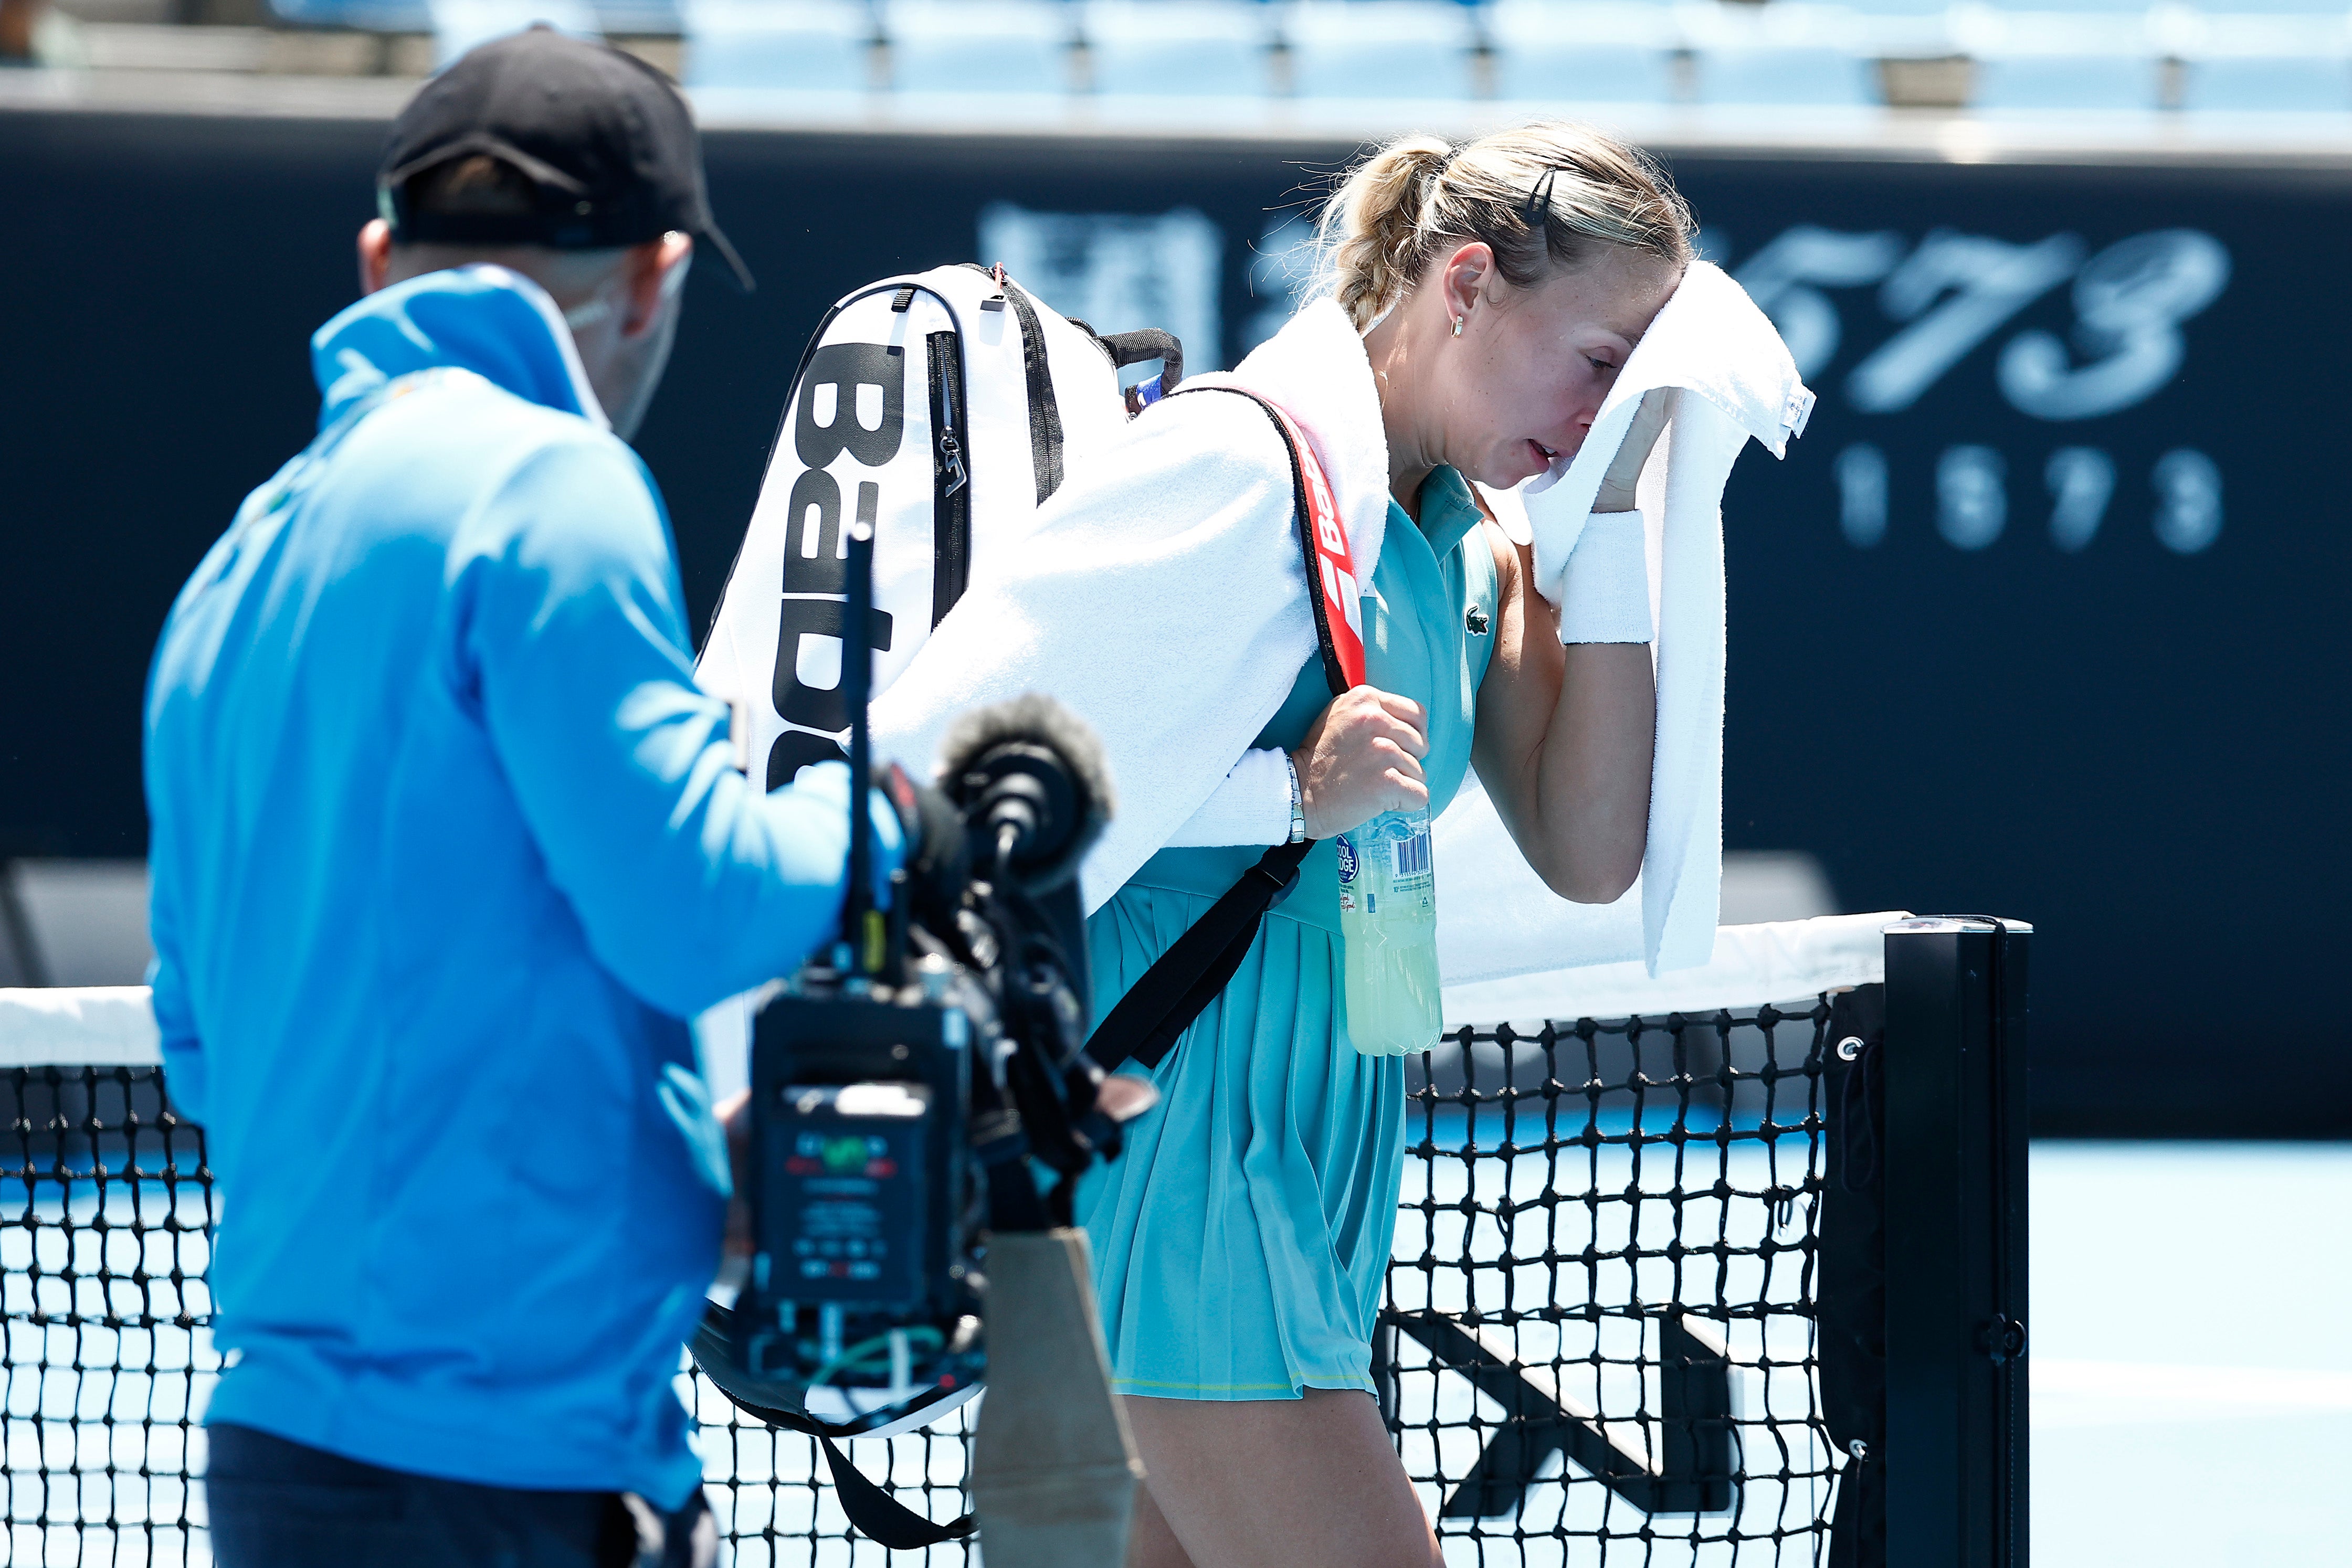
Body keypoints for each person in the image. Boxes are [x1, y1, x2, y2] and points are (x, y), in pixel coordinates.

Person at [867, 121, 1692, 1567]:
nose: (1604, 409)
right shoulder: (1236, 460)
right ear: (1468, 284)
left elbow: (1590, 842)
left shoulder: (1463, 538)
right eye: (1601, 364)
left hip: (1306, 1144)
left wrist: (1616, 506)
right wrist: (1281, 796)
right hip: (1179, 1133)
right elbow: (959, 765)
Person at [141, 29, 893, 1567]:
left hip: (282, 1467)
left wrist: (661, 1178)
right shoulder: (552, 487)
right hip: (507, 1476)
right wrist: (897, 821)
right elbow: (700, 916)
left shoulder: (234, 563)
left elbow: (218, 1059)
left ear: (375, 263)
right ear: (652, 278)